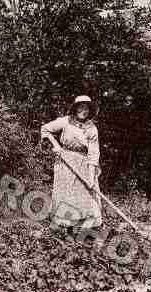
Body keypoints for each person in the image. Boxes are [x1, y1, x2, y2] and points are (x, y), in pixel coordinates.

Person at [41, 95, 102, 233]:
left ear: (89, 111)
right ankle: (62, 225)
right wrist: (56, 145)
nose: (83, 111)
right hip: (64, 162)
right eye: (81, 107)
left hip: (83, 164)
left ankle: (81, 228)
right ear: (75, 109)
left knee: (83, 195)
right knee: (64, 192)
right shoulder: (65, 122)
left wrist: (91, 178)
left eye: (86, 108)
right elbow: (45, 129)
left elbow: (93, 154)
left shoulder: (92, 129)